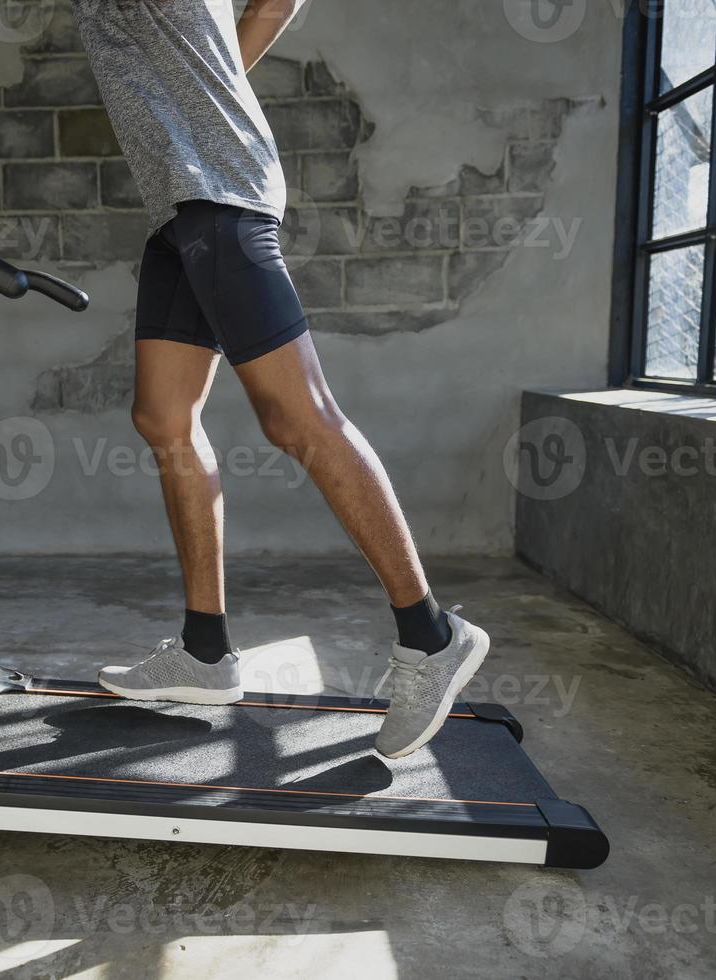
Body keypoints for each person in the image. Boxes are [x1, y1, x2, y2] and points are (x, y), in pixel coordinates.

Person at [72, 0, 488, 759]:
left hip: (220, 189)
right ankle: (204, 652)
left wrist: (211, 101)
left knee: (297, 415)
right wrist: (211, 86)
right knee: (162, 416)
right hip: (178, 202)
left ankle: (432, 636)